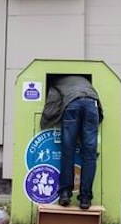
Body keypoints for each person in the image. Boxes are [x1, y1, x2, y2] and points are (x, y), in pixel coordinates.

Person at [41, 75, 103, 210]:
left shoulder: (55, 83)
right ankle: (85, 199)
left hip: (72, 104)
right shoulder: (86, 82)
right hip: (92, 104)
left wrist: (46, 120)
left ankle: (64, 194)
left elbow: (52, 103)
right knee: (89, 156)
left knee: (68, 152)